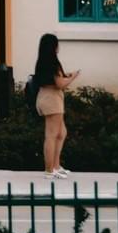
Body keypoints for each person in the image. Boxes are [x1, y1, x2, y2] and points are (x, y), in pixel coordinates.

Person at [34, 33, 80, 179]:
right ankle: (49, 170)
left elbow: (53, 79)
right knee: (52, 135)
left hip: (45, 97)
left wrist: (65, 76)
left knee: (61, 132)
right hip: (52, 100)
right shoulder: (53, 63)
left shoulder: (42, 62)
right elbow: (60, 84)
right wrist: (72, 77)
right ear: (53, 46)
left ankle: (56, 166)